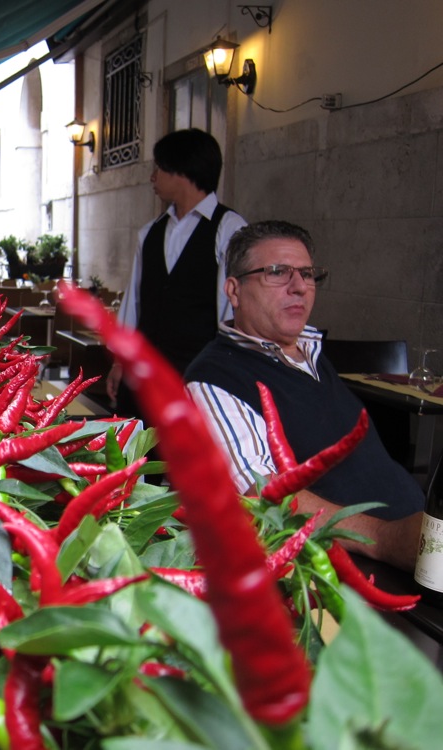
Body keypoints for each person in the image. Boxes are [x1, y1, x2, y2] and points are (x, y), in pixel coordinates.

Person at [185, 220, 423, 571]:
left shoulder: (310, 352)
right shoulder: (213, 379)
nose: (299, 287)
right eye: (277, 272)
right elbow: (263, 496)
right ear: (234, 291)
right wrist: (385, 537)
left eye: (307, 274)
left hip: (418, 533)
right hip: (361, 565)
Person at [108, 129, 247, 413]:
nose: (153, 177)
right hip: (143, 379)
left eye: (159, 168)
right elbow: (134, 304)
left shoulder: (229, 228)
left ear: (182, 170)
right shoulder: (151, 231)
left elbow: (232, 313)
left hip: (195, 378)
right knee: (134, 440)